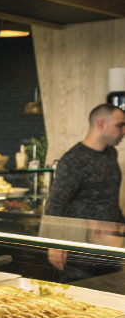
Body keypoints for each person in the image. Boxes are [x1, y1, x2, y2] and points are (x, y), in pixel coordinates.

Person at [46, 104, 125, 279]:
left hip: (109, 246)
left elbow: (109, 198)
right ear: (101, 124)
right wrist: (54, 244)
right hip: (81, 247)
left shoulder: (111, 153)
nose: (124, 131)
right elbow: (56, 203)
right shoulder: (74, 159)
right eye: (120, 125)